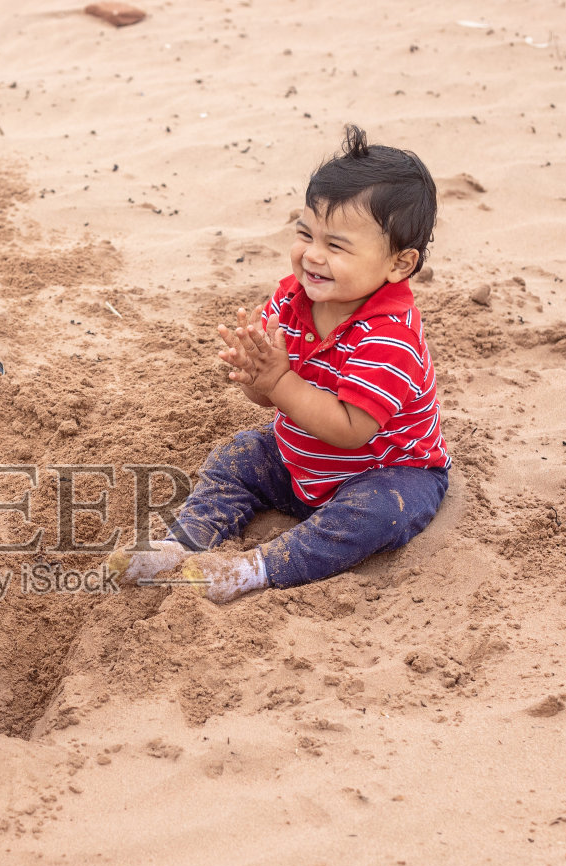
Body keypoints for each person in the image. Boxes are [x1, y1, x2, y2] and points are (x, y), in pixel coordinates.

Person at [110, 125, 450, 602]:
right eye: (306, 233)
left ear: (399, 264)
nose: (312, 255)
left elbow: (351, 430)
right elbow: (267, 396)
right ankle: (185, 540)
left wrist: (279, 379)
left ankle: (255, 569)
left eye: (336, 246)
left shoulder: (390, 336)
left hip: (385, 470)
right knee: (240, 455)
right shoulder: (292, 298)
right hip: (300, 462)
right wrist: (256, 375)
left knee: (380, 513)